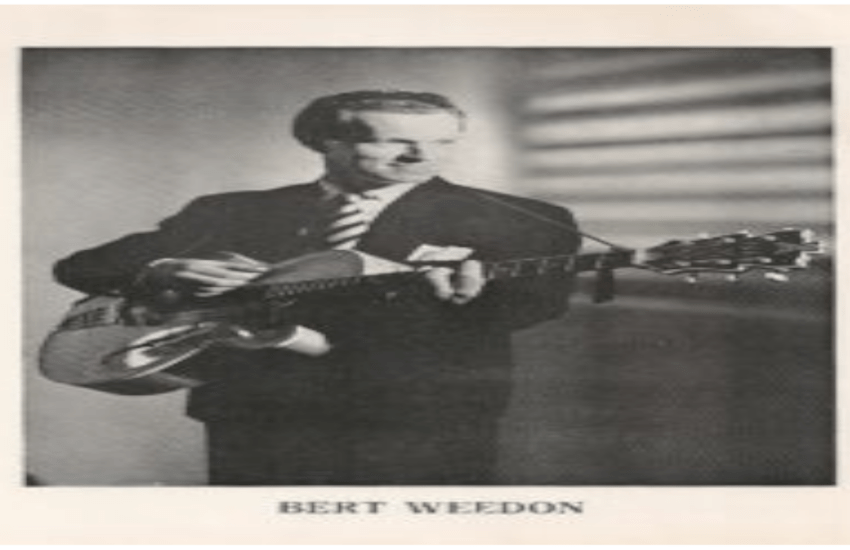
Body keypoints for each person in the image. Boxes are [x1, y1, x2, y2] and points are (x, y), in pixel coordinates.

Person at [53, 90, 581, 485]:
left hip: (420, 417)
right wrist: (162, 269)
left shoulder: (523, 218)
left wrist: (473, 293)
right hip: (257, 414)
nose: (422, 157)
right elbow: (82, 267)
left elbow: (539, 301)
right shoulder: (233, 210)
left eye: (442, 142)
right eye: (394, 140)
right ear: (326, 141)